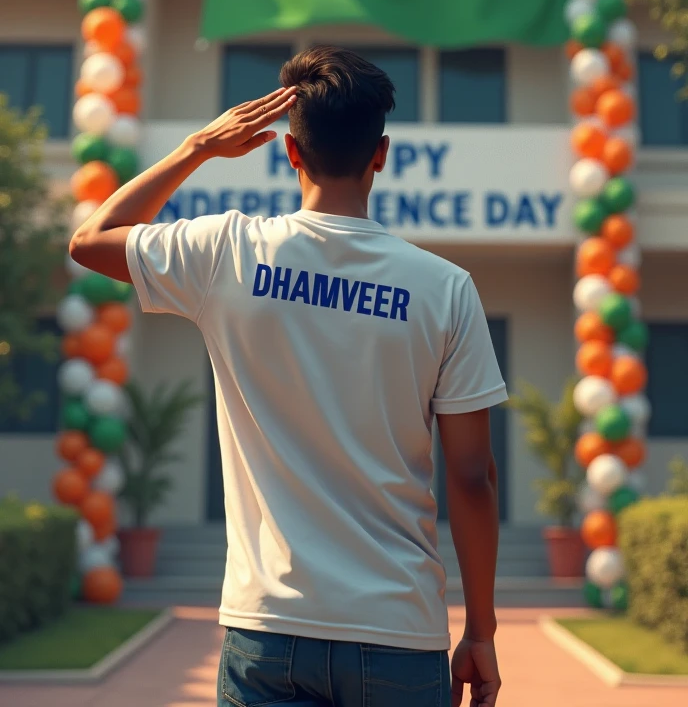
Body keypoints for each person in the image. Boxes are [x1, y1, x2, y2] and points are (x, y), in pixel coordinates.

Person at [70, 45, 507, 707]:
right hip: (398, 629)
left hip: (267, 629)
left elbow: (92, 236)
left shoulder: (226, 252)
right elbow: (473, 477)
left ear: (291, 153)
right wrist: (481, 629)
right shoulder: (446, 289)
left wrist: (198, 147)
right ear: (381, 154)